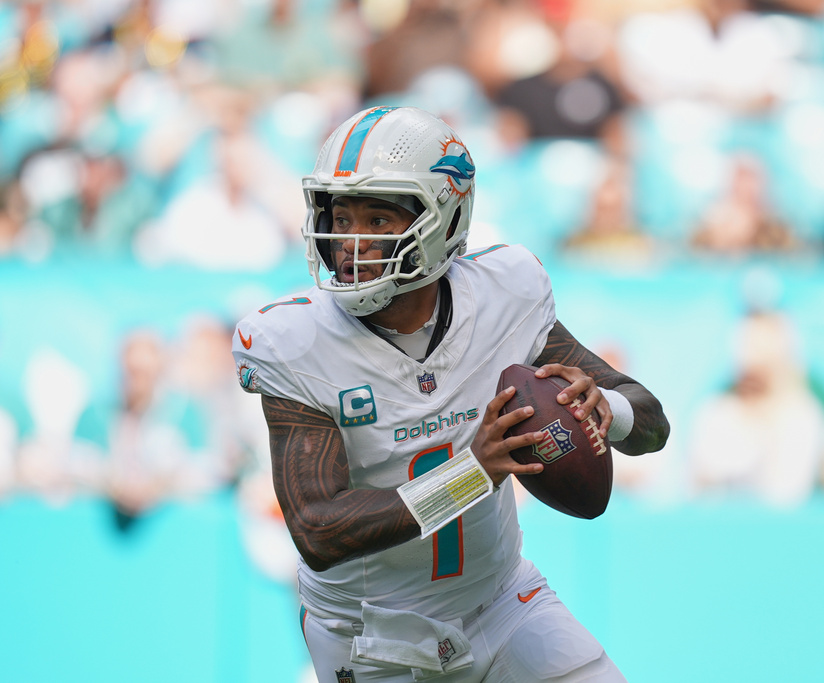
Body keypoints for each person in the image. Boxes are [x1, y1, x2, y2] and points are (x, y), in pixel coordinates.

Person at [231, 106, 670, 682]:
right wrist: (471, 475)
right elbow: (318, 528)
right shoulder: (294, 342)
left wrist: (604, 409)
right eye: (341, 216)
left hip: (502, 601)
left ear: (445, 218)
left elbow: (653, 426)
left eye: (377, 218)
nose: (350, 241)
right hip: (373, 634)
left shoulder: (506, 296)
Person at [685, 310, 824, 507]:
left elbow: (788, 493)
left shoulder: (803, 418)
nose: (752, 365)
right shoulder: (714, 414)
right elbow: (698, 489)